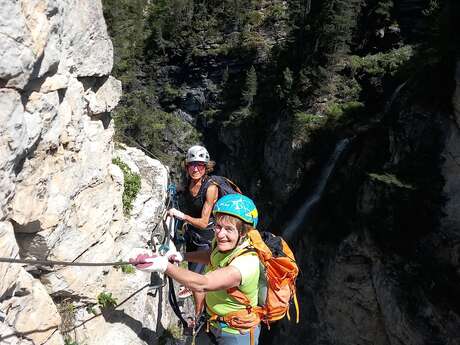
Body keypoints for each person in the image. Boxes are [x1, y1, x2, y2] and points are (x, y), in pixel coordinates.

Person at [131, 194, 261, 345]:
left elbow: (203, 283)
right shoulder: (223, 245)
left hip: (237, 334)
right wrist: (181, 256)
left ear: (243, 233)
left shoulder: (247, 263)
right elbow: (211, 256)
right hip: (212, 322)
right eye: (218, 226)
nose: (220, 234)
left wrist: (163, 266)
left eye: (229, 229)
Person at [168, 145, 218, 299]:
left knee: (195, 282)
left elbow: (203, 222)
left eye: (200, 165)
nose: (195, 169)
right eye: (192, 165)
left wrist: (181, 216)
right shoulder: (190, 181)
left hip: (205, 239)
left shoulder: (210, 188)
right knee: (191, 276)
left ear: (206, 167)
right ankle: (196, 318)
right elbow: (185, 192)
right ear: (187, 166)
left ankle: (198, 317)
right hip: (191, 236)